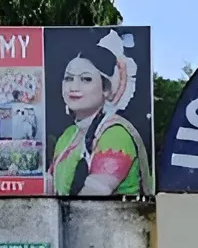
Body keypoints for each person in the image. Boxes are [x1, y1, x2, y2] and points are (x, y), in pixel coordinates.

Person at [50, 30, 151, 196]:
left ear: (106, 89)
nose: (73, 87)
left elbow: (91, 199)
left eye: (86, 79)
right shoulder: (68, 135)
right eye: (68, 78)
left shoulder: (116, 134)